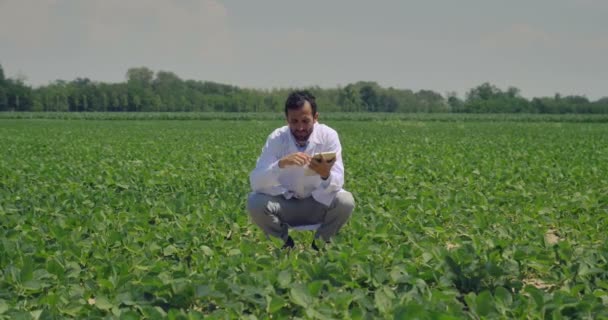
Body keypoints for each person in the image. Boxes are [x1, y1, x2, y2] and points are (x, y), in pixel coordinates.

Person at [247, 90, 355, 250]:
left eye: (305, 121)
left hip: (318, 202)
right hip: (286, 203)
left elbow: (338, 181)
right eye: (294, 121)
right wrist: (280, 165)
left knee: (346, 201)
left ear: (315, 118)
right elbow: (256, 183)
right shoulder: (277, 138)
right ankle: (284, 245)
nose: (300, 127)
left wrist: (325, 174)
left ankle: (320, 244)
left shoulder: (328, 136)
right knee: (254, 202)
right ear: (287, 119)